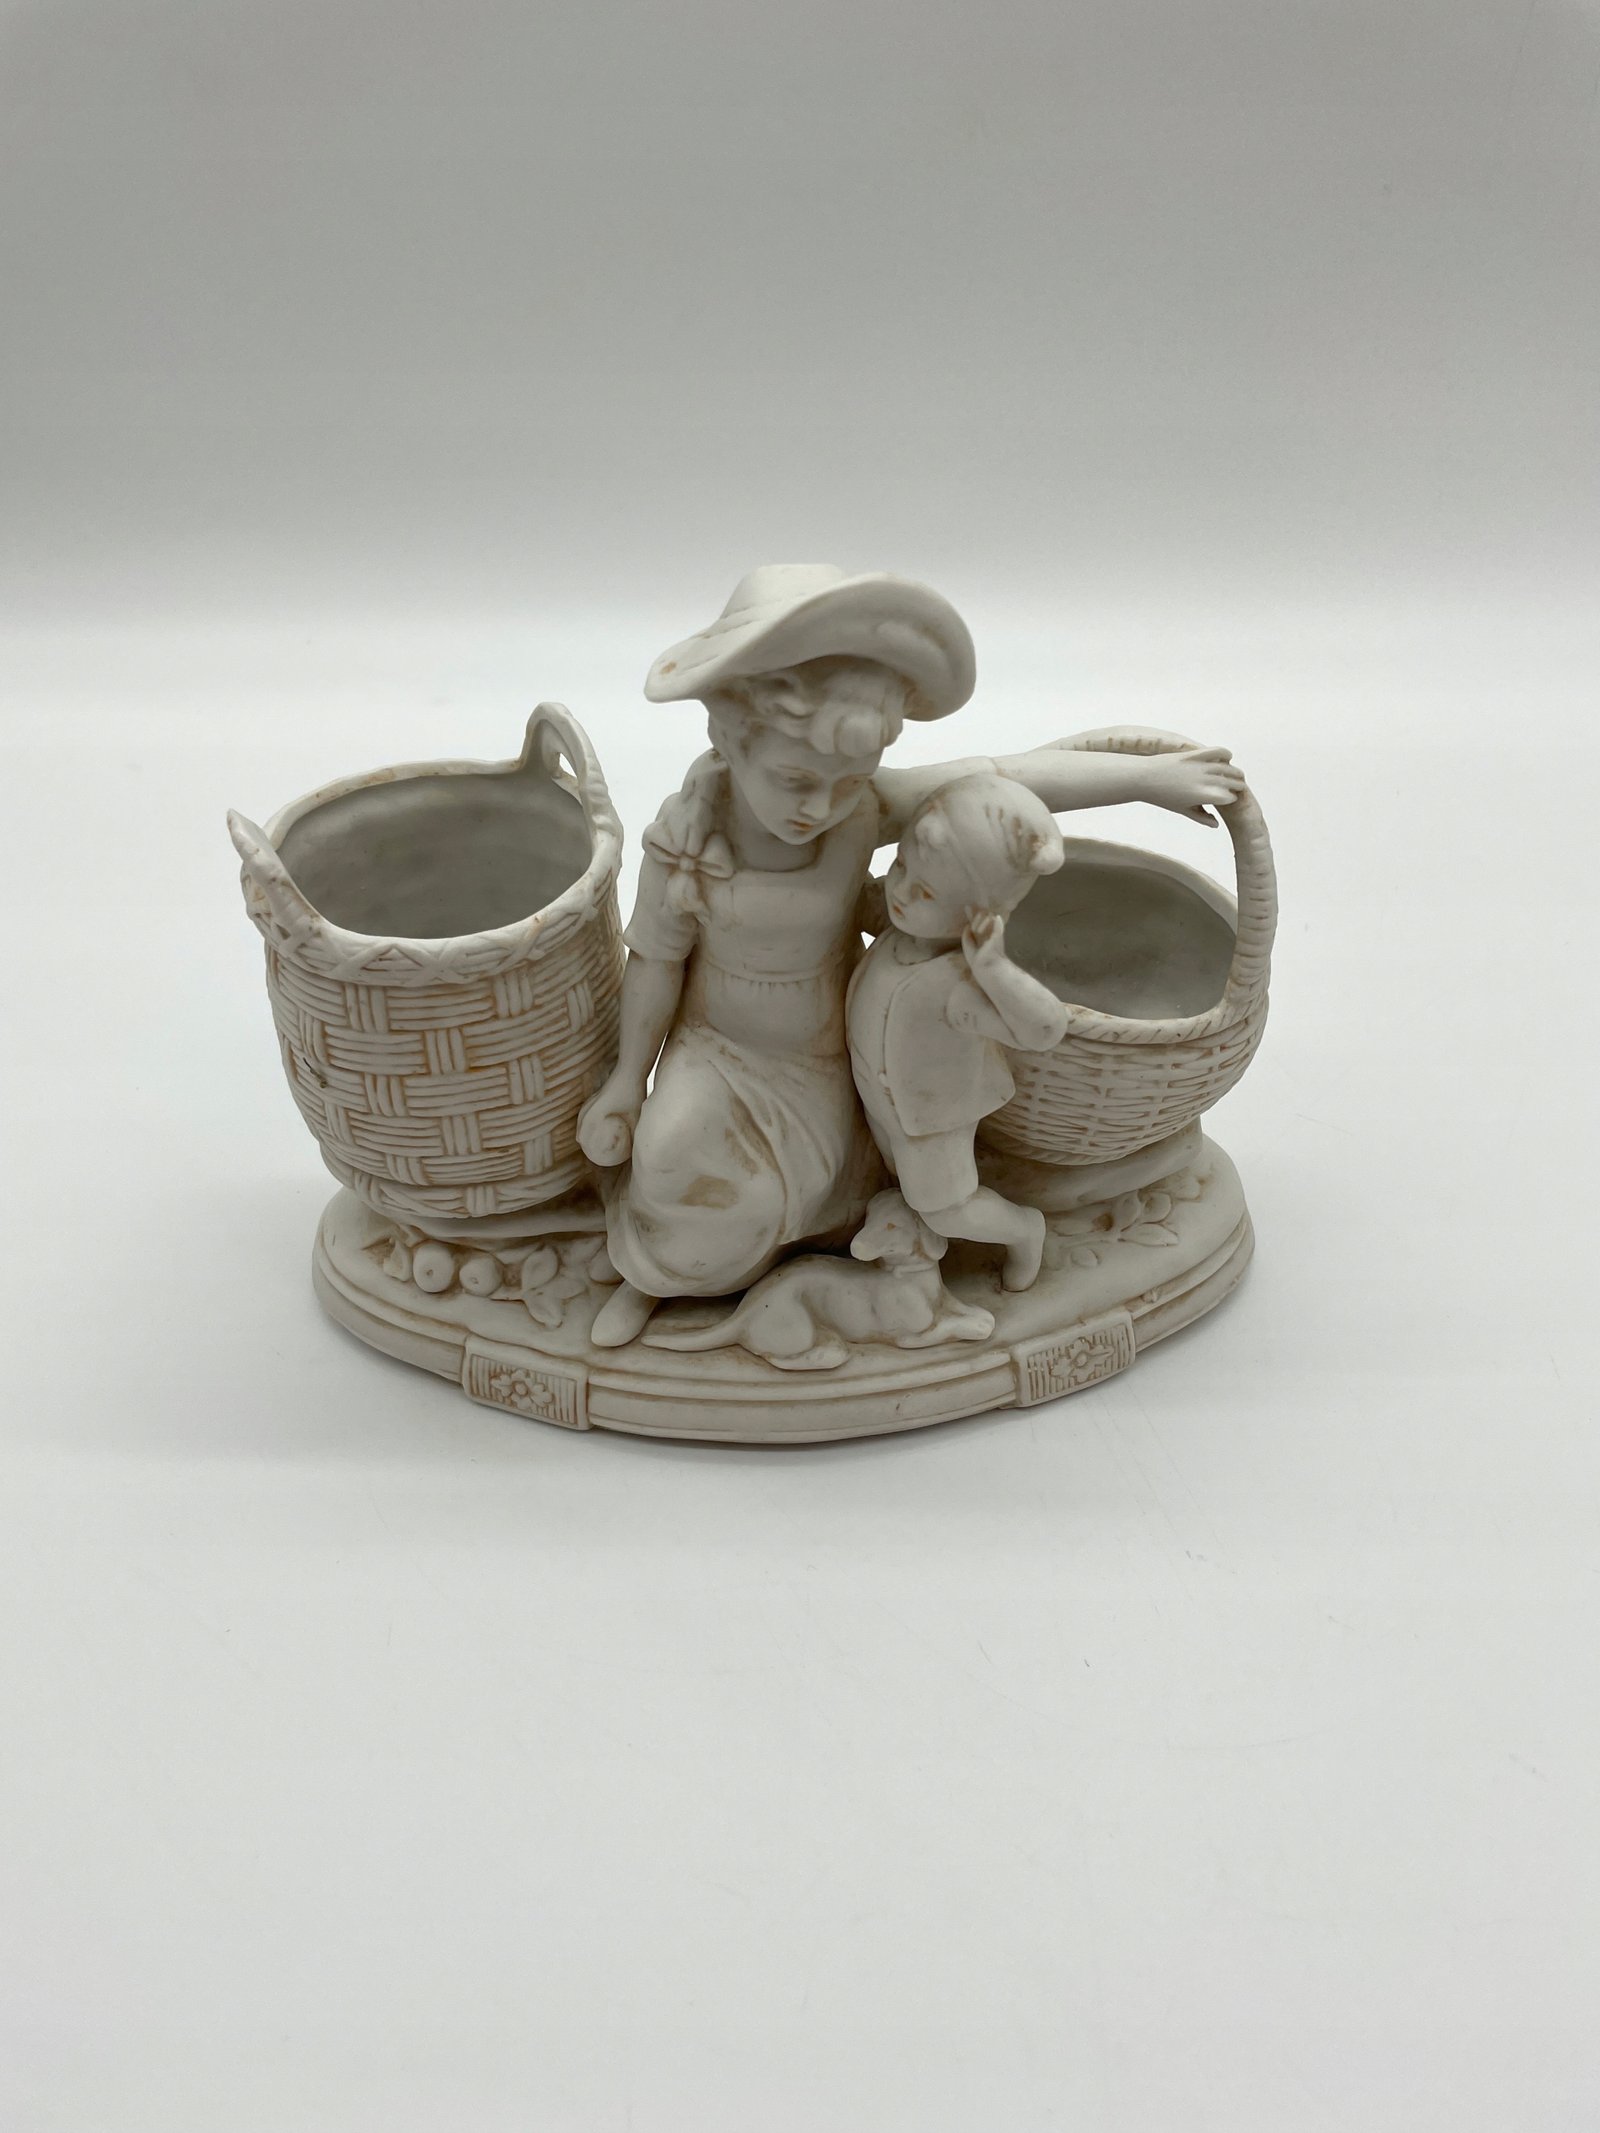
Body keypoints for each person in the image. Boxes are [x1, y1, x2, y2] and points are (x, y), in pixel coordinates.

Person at [578, 565, 1243, 1346]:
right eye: (795, 779)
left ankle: (763, 1267)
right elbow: (655, 961)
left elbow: (999, 776)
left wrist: (1145, 779)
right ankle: (651, 1274)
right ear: (732, 737)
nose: (819, 807)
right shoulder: (687, 837)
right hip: (715, 1046)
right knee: (668, 1157)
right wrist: (627, 1080)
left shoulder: (859, 811)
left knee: (811, 1192)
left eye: (845, 781)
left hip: (826, 1058)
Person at [846, 773, 1074, 1293]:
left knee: (945, 1206)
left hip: (930, 1122)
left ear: (981, 917)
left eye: (926, 892)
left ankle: (1023, 1230)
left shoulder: (960, 986)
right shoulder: (900, 923)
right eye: (900, 865)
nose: (901, 892)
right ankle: (916, 1245)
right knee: (897, 1175)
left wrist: (994, 970)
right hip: (881, 1101)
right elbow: (852, 901)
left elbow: (1045, 1028)